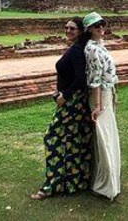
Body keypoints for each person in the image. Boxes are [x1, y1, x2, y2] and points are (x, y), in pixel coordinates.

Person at [31, 17, 93, 200]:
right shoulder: (79, 49)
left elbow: (81, 79)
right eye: (66, 28)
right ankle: (76, 182)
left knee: (53, 139)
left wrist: (64, 96)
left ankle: (51, 186)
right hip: (76, 102)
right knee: (74, 142)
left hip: (72, 103)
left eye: (72, 28)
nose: (68, 31)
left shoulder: (76, 51)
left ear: (81, 31)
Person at [83, 11, 121, 201]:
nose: (101, 28)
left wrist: (112, 96)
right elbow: (95, 80)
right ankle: (105, 184)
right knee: (103, 138)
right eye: (97, 26)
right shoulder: (92, 49)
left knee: (107, 136)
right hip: (99, 98)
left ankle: (109, 181)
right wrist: (97, 105)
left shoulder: (100, 46)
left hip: (106, 95)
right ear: (89, 29)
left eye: (102, 24)